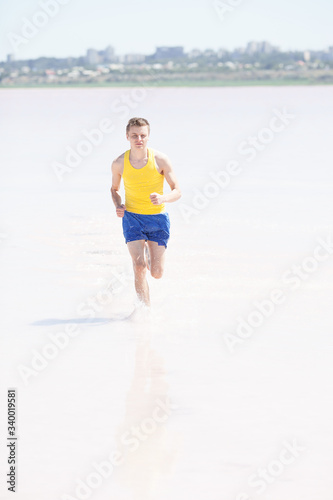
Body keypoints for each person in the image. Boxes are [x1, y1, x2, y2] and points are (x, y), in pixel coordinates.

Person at [111, 117, 181, 307]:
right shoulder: (119, 162)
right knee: (139, 266)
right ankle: (144, 312)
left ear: (148, 137)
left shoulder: (160, 160)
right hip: (132, 217)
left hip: (157, 219)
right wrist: (118, 204)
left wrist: (163, 198)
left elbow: (177, 191)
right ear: (127, 136)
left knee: (156, 273)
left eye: (142, 135)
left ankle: (152, 254)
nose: (138, 139)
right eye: (134, 135)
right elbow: (114, 189)